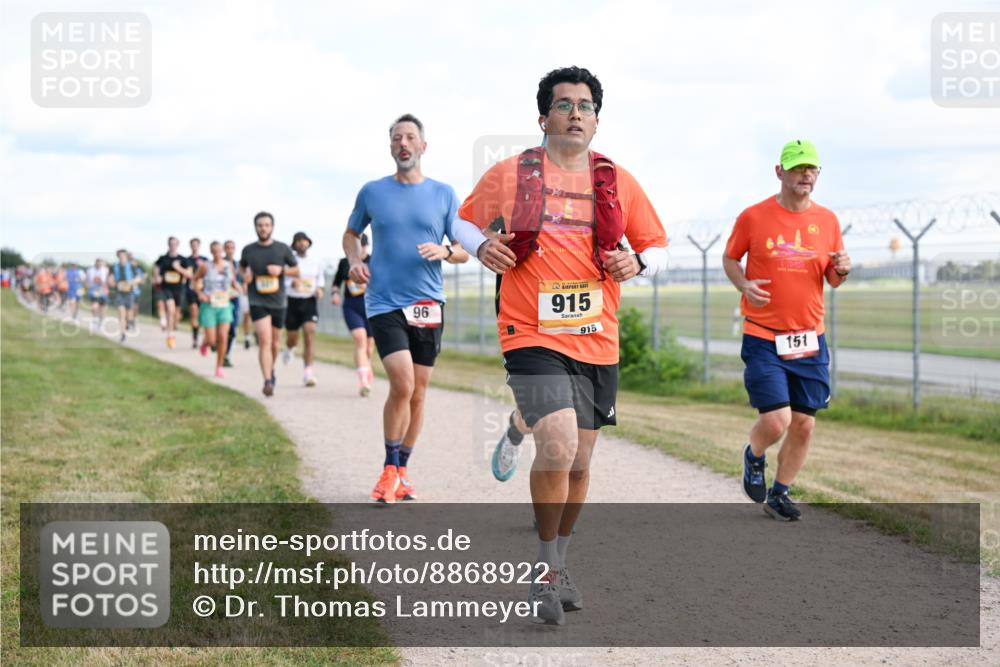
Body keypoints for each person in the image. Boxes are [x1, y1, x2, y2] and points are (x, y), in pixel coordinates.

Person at [453, 67, 669, 625]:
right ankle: (545, 570)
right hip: (530, 331)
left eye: (586, 105)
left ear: (596, 120)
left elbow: (658, 246)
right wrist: (481, 247)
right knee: (558, 443)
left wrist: (639, 262)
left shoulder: (616, 181)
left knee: (580, 461)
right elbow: (461, 222)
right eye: (565, 104)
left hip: (596, 338)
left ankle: (560, 563)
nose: (576, 113)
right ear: (543, 117)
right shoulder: (512, 172)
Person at [723, 139, 851, 522]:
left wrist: (842, 269)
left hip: (810, 338)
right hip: (764, 335)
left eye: (811, 168)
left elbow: (833, 278)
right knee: (777, 419)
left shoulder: (827, 220)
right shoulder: (753, 217)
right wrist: (743, 284)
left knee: (804, 424)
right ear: (780, 172)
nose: (805, 175)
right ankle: (754, 455)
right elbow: (730, 258)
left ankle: (779, 493)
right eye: (797, 168)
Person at [344, 113, 469, 504]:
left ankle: (402, 471)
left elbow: (464, 249)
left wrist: (445, 251)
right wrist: (354, 260)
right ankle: (388, 468)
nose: (403, 143)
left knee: (418, 394)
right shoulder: (372, 192)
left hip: (428, 303)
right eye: (397, 138)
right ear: (390, 147)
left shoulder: (444, 194)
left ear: (423, 146)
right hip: (384, 301)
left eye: (410, 137)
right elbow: (351, 234)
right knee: (402, 384)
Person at [239, 211, 299, 396]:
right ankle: (267, 381)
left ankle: (271, 370)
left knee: (274, 343)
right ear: (255, 227)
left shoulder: (282, 249)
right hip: (257, 300)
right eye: (260, 225)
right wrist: (245, 275)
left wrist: (281, 271)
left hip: (278, 301)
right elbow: (241, 267)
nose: (263, 228)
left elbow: (296, 270)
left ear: (272, 227)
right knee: (264, 340)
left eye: (266, 225)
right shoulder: (248, 250)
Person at [331, 233, 375, 396]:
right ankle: (363, 381)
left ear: (366, 246)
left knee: (369, 347)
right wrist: (335, 294)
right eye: (357, 246)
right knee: (359, 339)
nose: (360, 249)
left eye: (362, 246)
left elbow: (384, 282)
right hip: (352, 306)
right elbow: (336, 283)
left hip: (371, 306)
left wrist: (369, 286)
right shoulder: (345, 262)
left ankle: (366, 366)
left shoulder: (374, 261)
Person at [282, 231, 325, 386]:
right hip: (293, 302)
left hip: (309, 302)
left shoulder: (316, 261)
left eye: (304, 240)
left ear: (308, 243)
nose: (302, 243)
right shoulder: (289, 261)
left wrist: (319, 290)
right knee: (292, 338)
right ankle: (289, 349)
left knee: (309, 334)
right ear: (294, 244)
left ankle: (308, 373)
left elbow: (320, 280)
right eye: (298, 241)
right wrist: (291, 283)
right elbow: (282, 281)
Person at [195, 241, 240, 378]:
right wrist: (200, 293)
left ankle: (219, 367)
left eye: (219, 251)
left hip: (224, 304)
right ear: (211, 252)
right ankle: (205, 343)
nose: (217, 254)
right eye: (214, 251)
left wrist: (238, 289)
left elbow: (233, 282)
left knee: (223, 336)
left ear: (222, 251)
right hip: (209, 305)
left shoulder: (228, 265)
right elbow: (195, 280)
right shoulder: (205, 266)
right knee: (212, 340)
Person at [153, 237, 195, 349]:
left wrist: (178, 267)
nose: (173, 245)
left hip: (178, 289)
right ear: (168, 244)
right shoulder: (163, 258)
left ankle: (171, 332)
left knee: (176, 314)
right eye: (171, 243)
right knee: (170, 309)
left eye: (175, 244)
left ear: (178, 245)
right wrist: (157, 277)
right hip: (165, 288)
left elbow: (190, 274)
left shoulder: (183, 259)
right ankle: (169, 335)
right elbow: (156, 269)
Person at [108, 249, 137, 343]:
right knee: (121, 313)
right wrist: (112, 283)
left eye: (123, 256)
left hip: (129, 292)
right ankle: (123, 334)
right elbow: (110, 279)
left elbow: (138, 277)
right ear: (118, 257)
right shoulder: (114, 267)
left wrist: (132, 282)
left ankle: (129, 322)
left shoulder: (131, 266)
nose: (122, 257)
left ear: (126, 256)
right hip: (119, 292)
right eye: (120, 256)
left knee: (129, 313)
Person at [223, 239, 243, 368]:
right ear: (224, 249)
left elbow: (243, 280)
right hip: (221, 299)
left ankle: (227, 355)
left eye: (232, 247)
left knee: (233, 327)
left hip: (235, 298)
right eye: (227, 247)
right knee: (222, 327)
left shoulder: (238, 265)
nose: (230, 250)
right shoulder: (219, 263)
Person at [185, 238, 208, 348]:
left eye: (196, 245)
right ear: (190, 246)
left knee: (204, 315)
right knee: (194, 312)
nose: (194, 247)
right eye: (192, 245)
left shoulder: (205, 259)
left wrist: (202, 266)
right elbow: (185, 274)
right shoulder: (187, 260)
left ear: (199, 246)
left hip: (203, 290)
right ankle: (195, 338)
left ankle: (206, 338)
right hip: (191, 289)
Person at [86, 258, 110, 331]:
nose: (99, 264)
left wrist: (107, 286)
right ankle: (95, 319)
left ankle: (101, 321)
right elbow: (86, 280)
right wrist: (87, 285)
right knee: (94, 306)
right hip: (94, 290)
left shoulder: (106, 270)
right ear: (95, 263)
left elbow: (108, 280)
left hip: (103, 291)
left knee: (102, 308)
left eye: (100, 263)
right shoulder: (90, 270)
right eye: (98, 263)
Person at [129, 254, 146, 331]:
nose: (132, 262)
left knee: (135, 308)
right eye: (130, 260)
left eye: (133, 260)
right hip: (128, 291)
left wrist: (137, 281)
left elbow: (143, 280)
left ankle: (133, 320)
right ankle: (129, 322)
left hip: (136, 291)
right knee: (130, 307)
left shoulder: (139, 269)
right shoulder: (126, 268)